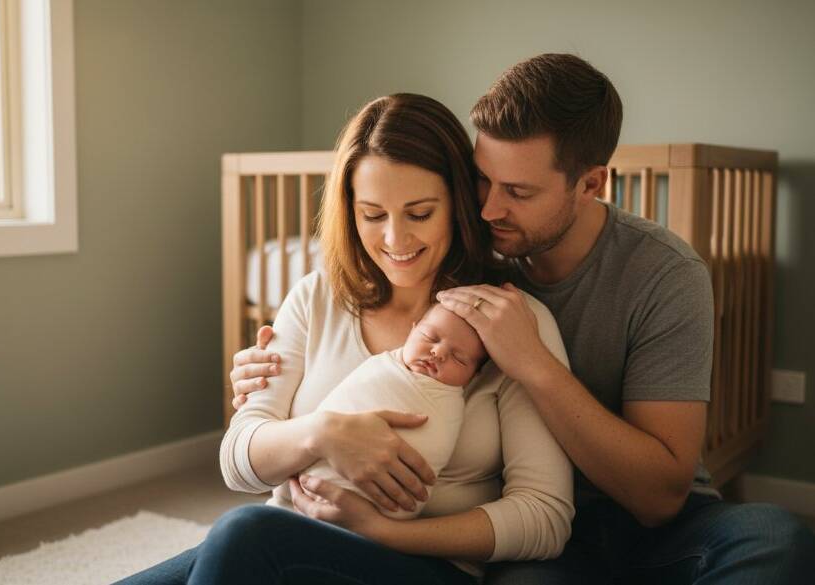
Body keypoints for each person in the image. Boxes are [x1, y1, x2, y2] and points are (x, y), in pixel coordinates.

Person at [235, 54, 815, 584]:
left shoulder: (660, 276)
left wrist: (532, 362)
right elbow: (253, 447)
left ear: (591, 184)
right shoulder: (460, 256)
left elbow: (658, 497)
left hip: (617, 520)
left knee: (777, 538)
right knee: (228, 547)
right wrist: (281, 403)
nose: (487, 208)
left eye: (516, 190)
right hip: (520, 528)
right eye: (481, 180)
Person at [118, 92, 574, 585]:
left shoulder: (509, 322)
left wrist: (381, 531)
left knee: (246, 532)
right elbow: (239, 462)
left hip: (422, 564)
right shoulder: (317, 298)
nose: (396, 241)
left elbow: (544, 518)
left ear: (457, 205)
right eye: (373, 215)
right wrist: (325, 433)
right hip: (289, 537)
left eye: (419, 213)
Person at [295, 302, 486, 520]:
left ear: (475, 375)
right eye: (430, 337)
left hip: (389, 526)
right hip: (309, 494)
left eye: (459, 358)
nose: (439, 352)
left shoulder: (450, 403)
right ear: (412, 329)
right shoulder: (382, 367)